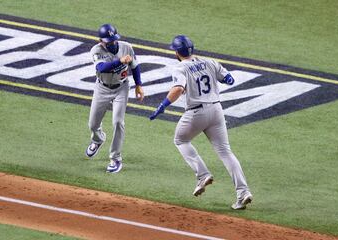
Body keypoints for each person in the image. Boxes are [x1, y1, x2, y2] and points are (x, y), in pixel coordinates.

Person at [149, 35, 252, 210]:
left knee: (180, 140)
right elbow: (229, 79)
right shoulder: (210, 62)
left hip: (196, 113)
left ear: (176, 52)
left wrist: (163, 105)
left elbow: (178, 89)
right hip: (217, 111)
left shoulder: (180, 68)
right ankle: (243, 192)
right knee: (226, 152)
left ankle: (202, 174)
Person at [86, 24, 144, 173]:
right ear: (101, 41)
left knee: (118, 122)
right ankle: (98, 139)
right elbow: (101, 68)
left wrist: (139, 85)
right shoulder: (96, 50)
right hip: (102, 88)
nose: (112, 43)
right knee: (93, 124)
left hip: (121, 88)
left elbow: (135, 66)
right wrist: (120, 61)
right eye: (108, 41)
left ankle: (115, 158)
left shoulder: (126, 47)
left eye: (113, 40)